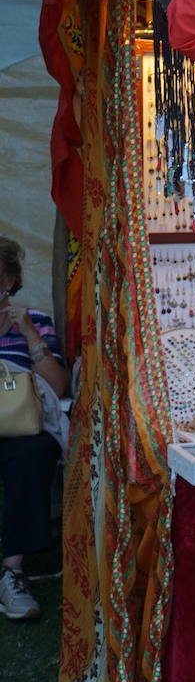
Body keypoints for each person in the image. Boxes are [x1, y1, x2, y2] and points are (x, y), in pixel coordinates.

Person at [0, 236, 67, 621]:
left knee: (36, 452)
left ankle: (12, 571)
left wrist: (27, 333)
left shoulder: (35, 321)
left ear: (7, 279)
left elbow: (58, 386)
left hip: (20, 427)